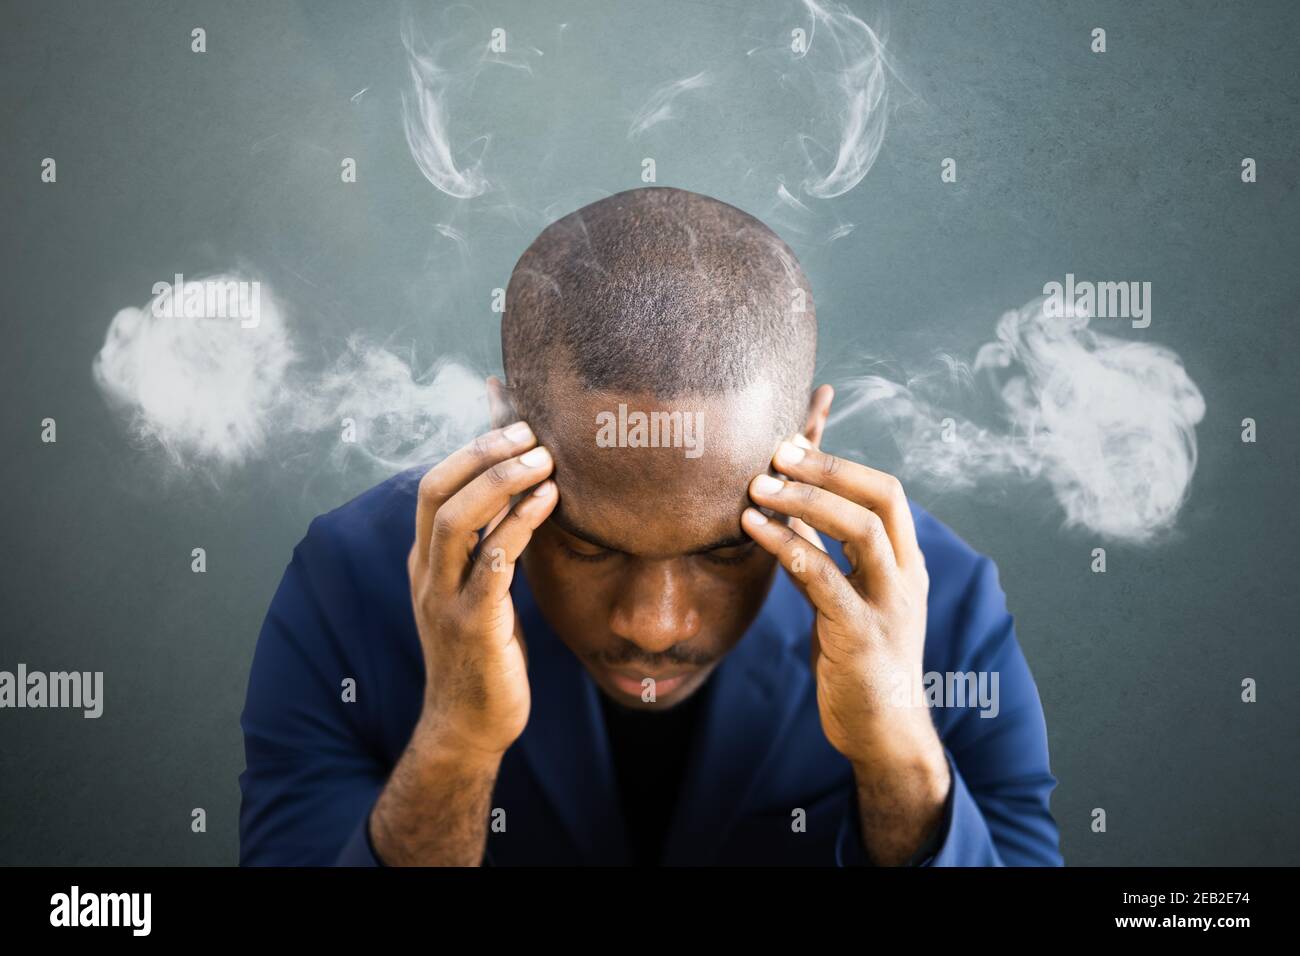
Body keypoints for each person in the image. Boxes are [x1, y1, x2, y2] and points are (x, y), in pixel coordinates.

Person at [238, 186, 1062, 866]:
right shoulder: (347, 582)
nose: (655, 628)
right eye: (589, 544)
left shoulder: (941, 606)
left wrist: (901, 760)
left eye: (728, 546)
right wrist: (455, 742)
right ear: (504, 428)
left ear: (807, 444)